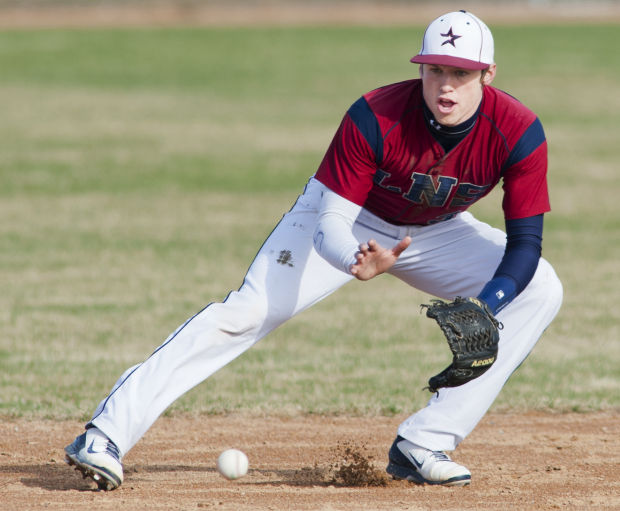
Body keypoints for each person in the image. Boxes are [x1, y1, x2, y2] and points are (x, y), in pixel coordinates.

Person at [65, 10, 563, 490]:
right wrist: (354, 259)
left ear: (488, 75)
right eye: (435, 70)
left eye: (461, 72)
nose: (446, 84)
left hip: (437, 229)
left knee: (539, 287)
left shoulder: (517, 130)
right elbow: (331, 222)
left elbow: (525, 243)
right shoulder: (377, 115)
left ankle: (424, 443)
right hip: (345, 220)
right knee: (248, 312)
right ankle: (105, 434)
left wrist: (486, 305)